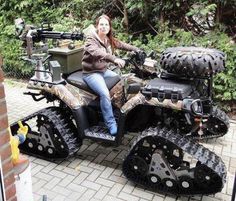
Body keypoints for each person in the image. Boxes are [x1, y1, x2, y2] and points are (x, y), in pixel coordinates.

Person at [82, 14, 140, 136]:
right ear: (97, 26)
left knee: (121, 80)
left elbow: (120, 44)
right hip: (92, 73)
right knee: (104, 93)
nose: (104, 27)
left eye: (106, 24)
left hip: (103, 71)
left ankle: (117, 110)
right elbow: (97, 52)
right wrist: (114, 59)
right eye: (101, 24)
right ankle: (111, 123)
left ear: (109, 27)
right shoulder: (90, 40)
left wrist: (136, 49)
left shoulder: (108, 39)